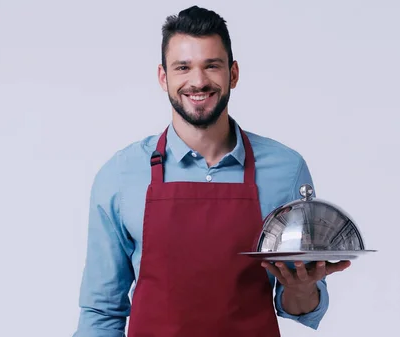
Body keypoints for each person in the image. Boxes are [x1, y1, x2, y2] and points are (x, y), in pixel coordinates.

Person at [72, 5, 350, 337]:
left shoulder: (286, 169)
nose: (198, 81)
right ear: (164, 77)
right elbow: (101, 310)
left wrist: (303, 287)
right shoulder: (120, 174)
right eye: (183, 67)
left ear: (233, 73)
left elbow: (298, 304)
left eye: (212, 66)